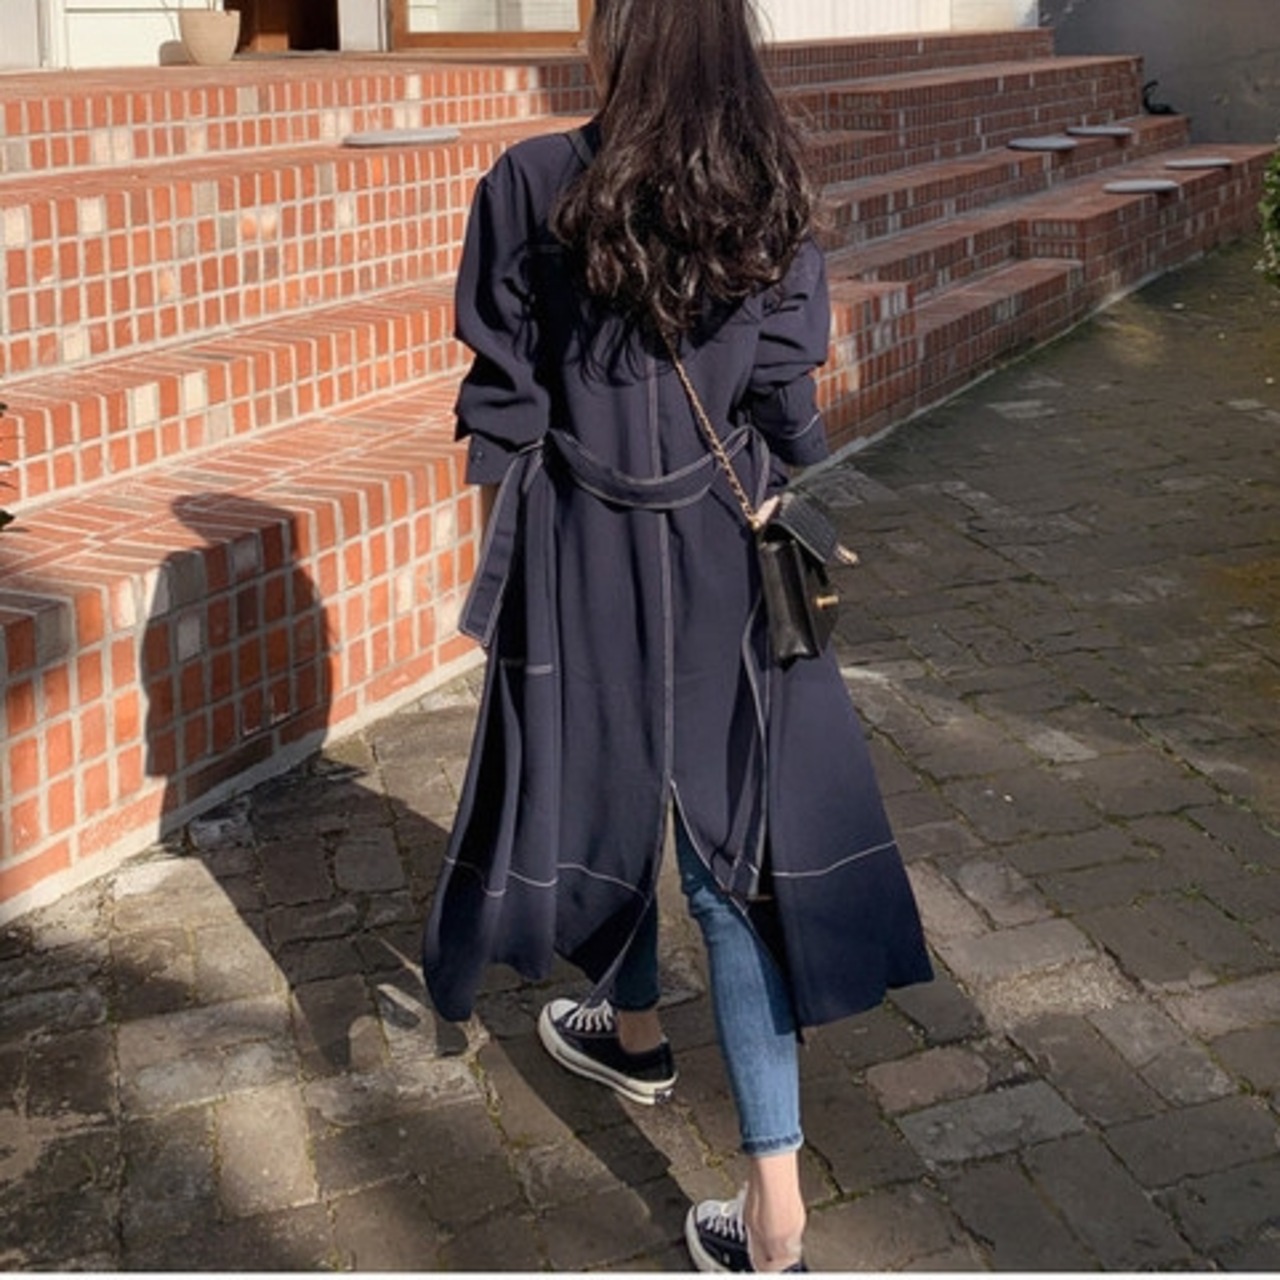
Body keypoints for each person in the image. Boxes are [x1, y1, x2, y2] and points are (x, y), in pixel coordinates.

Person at [421, 0, 933, 1270]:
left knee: (598, 785)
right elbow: (782, 401)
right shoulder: (763, 188)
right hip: (720, 538)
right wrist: (776, 472)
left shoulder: (530, 180)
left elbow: (505, 406)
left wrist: (516, 565)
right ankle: (761, 1191)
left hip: (578, 544)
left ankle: (639, 1032)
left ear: (615, 35)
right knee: (729, 852)